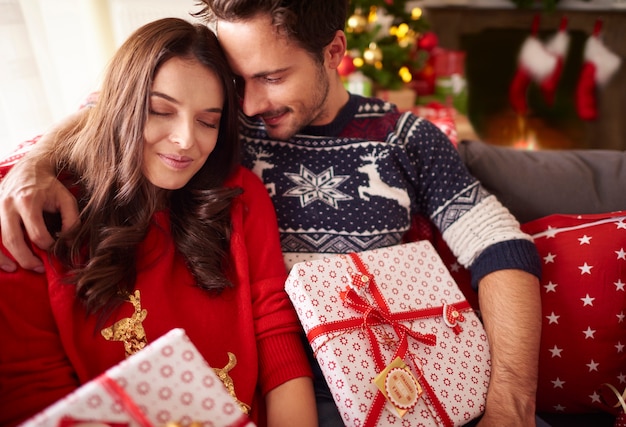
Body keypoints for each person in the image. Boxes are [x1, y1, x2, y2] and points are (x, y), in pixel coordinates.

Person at [0, 1, 543, 426]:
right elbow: (112, 112)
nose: (251, 104)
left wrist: (509, 407)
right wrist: (35, 166)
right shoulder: (215, 127)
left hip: (413, 371)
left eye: (272, 77)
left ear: (334, 52)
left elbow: (501, 247)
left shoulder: (406, 140)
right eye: (238, 80)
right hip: (301, 392)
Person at [0, 17, 317, 427]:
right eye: (160, 111)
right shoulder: (34, 211)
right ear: (117, 106)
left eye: (208, 121)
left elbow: (276, 338)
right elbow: (35, 395)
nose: (186, 139)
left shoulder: (240, 196)